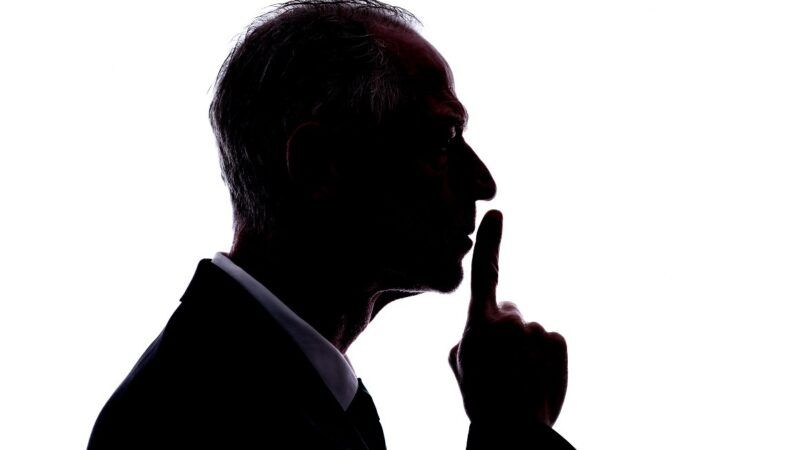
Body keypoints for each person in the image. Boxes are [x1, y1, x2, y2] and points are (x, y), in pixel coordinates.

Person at [87, 1, 574, 448]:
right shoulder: (189, 419)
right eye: (444, 138)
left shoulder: (257, 386)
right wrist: (513, 431)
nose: (483, 182)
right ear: (320, 165)